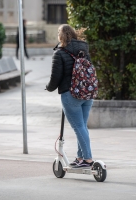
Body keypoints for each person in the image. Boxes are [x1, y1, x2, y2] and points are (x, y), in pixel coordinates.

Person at [46, 24, 94, 168]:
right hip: (87, 93)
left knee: (79, 127)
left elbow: (55, 78)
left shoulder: (59, 53)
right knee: (82, 126)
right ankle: (80, 157)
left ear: (61, 36)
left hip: (70, 94)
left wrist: (49, 88)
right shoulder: (84, 50)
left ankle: (88, 159)